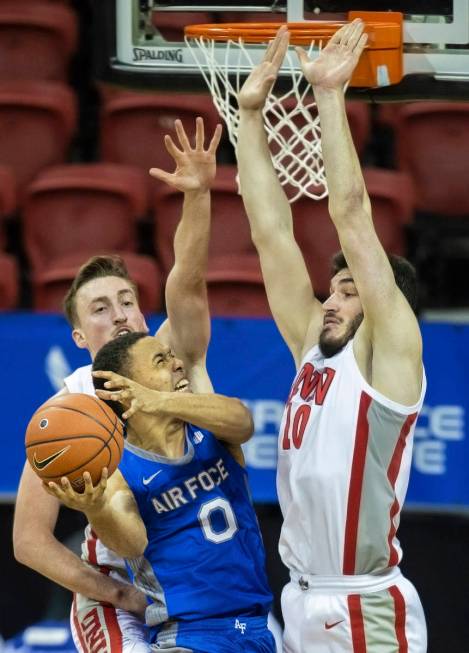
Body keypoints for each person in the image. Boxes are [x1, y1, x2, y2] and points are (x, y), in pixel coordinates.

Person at [13, 117, 248, 652]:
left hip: (198, 583)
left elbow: (187, 277)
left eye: (126, 301)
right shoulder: (66, 413)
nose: (120, 314)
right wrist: (115, 594)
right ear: (78, 335)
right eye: (100, 308)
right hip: (120, 591)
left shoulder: (174, 355)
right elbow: (28, 541)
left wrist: (197, 197)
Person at [237, 21, 427, 652]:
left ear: (382, 308)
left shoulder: (389, 359)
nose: (333, 300)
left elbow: (349, 214)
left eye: (351, 292)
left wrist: (326, 97)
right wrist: (249, 116)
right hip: (299, 596)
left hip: (365, 604)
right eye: (333, 289)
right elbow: (271, 234)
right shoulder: (311, 348)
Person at [44, 330, 275, 653]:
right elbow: (131, 542)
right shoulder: (120, 469)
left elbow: (243, 422)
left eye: (172, 356)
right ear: (124, 388)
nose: (177, 364)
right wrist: (95, 508)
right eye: (161, 360)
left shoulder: (209, 427)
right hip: (189, 635)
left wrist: (159, 400)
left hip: (255, 629)